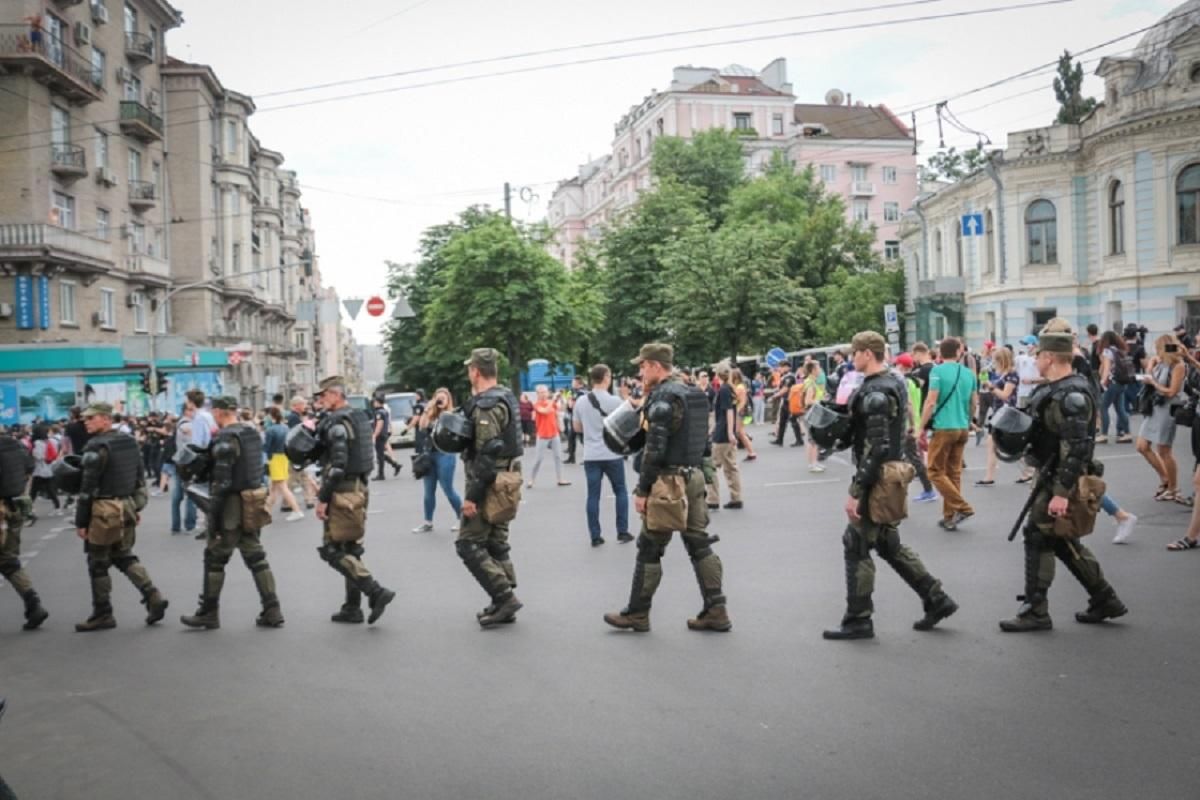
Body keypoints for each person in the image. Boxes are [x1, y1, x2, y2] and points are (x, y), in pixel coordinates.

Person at [815, 331, 957, 640]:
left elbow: (876, 447)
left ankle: (858, 619)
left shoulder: (878, 391)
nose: (853, 358)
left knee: (856, 543)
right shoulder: (892, 382)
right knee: (888, 543)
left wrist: (856, 491)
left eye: (855, 353)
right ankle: (936, 598)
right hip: (890, 473)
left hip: (878, 477)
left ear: (868, 353)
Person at [998, 320, 1128, 632]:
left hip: (1061, 478)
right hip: (1051, 473)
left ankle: (1035, 610)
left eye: (1039, 354)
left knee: (1038, 535)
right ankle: (1104, 597)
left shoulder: (1072, 395)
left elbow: (1078, 448)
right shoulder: (1055, 390)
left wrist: (1061, 492)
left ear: (1051, 357)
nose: (1035, 359)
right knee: (1059, 540)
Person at [604, 343, 731, 634]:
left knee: (650, 546)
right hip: (694, 476)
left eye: (643, 365)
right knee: (699, 544)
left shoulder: (663, 398)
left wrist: (642, 490)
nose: (640, 371)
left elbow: (655, 450)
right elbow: (703, 441)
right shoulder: (693, 393)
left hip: (669, 483)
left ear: (656, 366)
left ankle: (637, 613)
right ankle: (717, 609)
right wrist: (706, 475)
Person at [180, 397, 284, 630]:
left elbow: (222, 483)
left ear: (218, 412)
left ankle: (209, 612)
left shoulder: (226, 438)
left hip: (232, 506)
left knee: (215, 558)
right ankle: (272, 609)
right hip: (252, 501)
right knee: (256, 557)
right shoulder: (252, 434)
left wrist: (213, 520)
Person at [72, 402, 168, 632]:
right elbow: (139, 477)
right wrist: (135, 508)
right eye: (85, 419)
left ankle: (103, 613)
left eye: (91, 418)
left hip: (103, 509)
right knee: (123, 555)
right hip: (125, 505)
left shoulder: (96, 447)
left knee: (97, 562)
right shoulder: (129, 442)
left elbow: (87, 489)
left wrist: (81, 521)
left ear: (106, 419)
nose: (86, 422)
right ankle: (153, 596)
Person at [312, 376, 395, 625]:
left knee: (332, 550)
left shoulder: (338, 423)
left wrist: (323, 498)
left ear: (336, 395)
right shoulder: (357, 417)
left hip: (343, 490)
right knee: (351, 548)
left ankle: (375, 591)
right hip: (359, 487)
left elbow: (337, 466)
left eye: (324, 394)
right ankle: (352, 607)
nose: (321, 399)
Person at [456, 348, 524, 627]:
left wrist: (473, 496)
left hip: (489, 482)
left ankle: (504, 596)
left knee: (468, 543)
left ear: (475, 371)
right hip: (508, 479)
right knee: (496, 541)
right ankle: (502, 599)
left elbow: (487, 451)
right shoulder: (506, 396)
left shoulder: (486, 405)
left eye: (469, 368)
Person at [920, 338, 978, 530]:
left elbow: (930, 401)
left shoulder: (937, 371)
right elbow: (974, 402)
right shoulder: (969, 373)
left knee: (935, 471)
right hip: (962, 426)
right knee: (953, 473)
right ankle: (949, 517)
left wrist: (920, 427)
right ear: (959, 352)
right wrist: (968, 421)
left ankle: (963, 507)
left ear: (940, 353)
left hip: (944, 426)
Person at [572, 364, 631, 547]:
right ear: (606, 377)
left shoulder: (581, 401)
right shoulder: (615, 401)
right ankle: (622, 531)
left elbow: (576, 428)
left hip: (591, 455)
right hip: (612, 454)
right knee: (620, 491)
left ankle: (595, 535)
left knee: (593, 495)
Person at [0, 431, 48, 630]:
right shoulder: (15, 444)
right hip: (15, 505)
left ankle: (34, 605)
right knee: (9, 560)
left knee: (8, 560)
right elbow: (29, 468)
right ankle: (33, 604)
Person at [1136, 334, 1188, 503]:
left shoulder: (1178, 365)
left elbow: (1172, 392)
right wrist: (1150, 369)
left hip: (1167, 409)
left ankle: (1173, 488)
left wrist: (1154, 384)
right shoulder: (1161, 362)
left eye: (1158, 348)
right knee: (1142, 446)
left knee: (1164, 451)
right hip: (1155, 407)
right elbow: (1152, 380)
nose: (1156, 351)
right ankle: (1165, 479)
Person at [411, 387, 463, 533]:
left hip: (445, 454)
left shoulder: (452, 414)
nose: (440, 401)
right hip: (429, 455)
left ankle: (462, 518)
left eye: (443, 398)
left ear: (448, 401)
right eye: (437, 398)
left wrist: (443, 411)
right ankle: (428, 522)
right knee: (428, 491)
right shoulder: (431, 413)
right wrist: (429, 409)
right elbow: (421, 426)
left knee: (448, 489)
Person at [893, 354, 936, 502]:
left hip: (906, 425)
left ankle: (926, 490)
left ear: (901, 366)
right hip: (916, 422)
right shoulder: (916, 382)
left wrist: (911, 425)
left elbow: (909, 404)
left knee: (909, 459)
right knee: (913, 458)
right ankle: (927, 489)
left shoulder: (903, 382)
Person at [976, 347, 1019, 486]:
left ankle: (1028, 471)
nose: (994, 362)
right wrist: (986, 382)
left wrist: (991, 387)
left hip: (1006, 412)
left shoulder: (1011, 375)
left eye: (996, 360)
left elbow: (1006, 395)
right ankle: (989, 476)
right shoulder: (1000, 374)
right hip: (998, 412)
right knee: (993, 444)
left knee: (1010, 445)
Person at [706, 363, 743, 511]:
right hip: (726, 431)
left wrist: (728, 433)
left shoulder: (723, 390)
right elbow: (730, 412)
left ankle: (713, 499)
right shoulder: (730, 389)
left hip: (723, 435)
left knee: (711, 467)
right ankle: (736, 498)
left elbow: (727, 412)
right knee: (731, 466)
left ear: (717, 375)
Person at [263, 407, 303, 522]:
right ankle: (267, 513)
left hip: (275, 458)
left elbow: (266, 447)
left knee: (281, 486)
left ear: (271, 416)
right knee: (275, 487)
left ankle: (296, 510)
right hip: (284, 457)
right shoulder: (285, 428)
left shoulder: (270, 430)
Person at [528, 385, 569, 488]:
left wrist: (562, 399)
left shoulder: (551, 403)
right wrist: (553, 400)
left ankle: (560, 479)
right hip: (542, 435)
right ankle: (531, 479)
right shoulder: (537, 404)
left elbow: (561, 409)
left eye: (545, 392)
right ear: (537, 394)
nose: (543, 394)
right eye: (541, 392)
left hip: (554, 433)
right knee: (538, 459)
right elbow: (545, 411)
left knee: (558, 457)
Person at [1096, 330, 1133, 444]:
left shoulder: (1107, 351)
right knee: (1120, 409)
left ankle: (1104, 434)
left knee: (1103, 407)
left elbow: (1106, 369)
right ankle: (1127, 433)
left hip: (1112, 383)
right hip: (1122, 382)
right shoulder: (1120, 350)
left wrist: (1102, 382)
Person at [371, 394, 402, 481]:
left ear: (378, 402)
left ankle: (381, 475)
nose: (374, 403)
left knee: (380, 456)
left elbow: (379, 425)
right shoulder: (384, 411)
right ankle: (395, 465)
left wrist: (374, 435)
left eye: (375, 402)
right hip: (384, 434)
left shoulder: (379, 412)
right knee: (380, 454)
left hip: (380, 435)